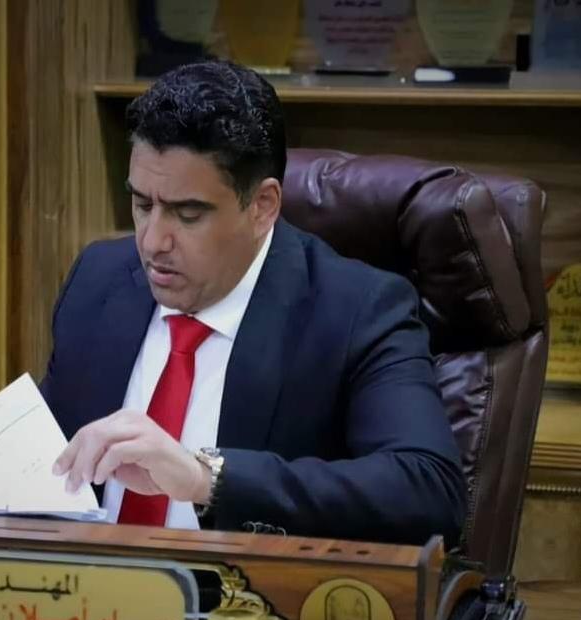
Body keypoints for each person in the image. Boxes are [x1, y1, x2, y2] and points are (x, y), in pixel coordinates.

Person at [42, 61, 464, 547]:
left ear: (262, 206)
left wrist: (206, 479)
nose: (153, 241)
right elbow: (46, 457)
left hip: (242, 592)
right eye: (142, 205)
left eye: (188, 213)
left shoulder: (357, 311)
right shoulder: (98, 281)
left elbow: (429, 491)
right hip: (82, 584)